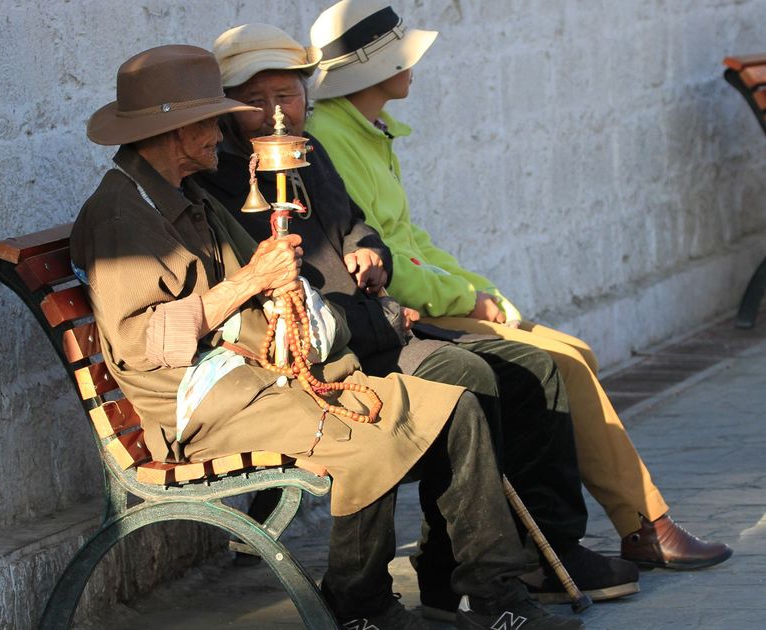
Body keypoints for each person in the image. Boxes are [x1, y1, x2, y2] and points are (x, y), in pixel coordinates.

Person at [71, 44, 583, 630]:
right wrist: (249, 282)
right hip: (200, 403)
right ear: (175, 129)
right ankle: (359, 605)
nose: (222, 130)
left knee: (456, 407)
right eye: (210, 120)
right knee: (369, 436)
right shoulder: (121, 214)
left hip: (253, 375)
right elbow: (142, 343)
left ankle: (493, 597)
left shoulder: (183, 194)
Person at [197, 23, 640, 619]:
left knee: (533, 369)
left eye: (288, 96)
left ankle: (544, 547)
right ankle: (469, 578)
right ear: (227, 108)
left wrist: (369, 250)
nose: (277, 115)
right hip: (333, 347)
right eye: (257, 100)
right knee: (463, 378)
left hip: (372, 323)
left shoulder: (311, 153)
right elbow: (276, 299)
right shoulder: (218, 177)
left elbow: (355, 223)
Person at [304, 0, 732, 573]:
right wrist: (466, 299)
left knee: (576, 352)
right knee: (562, 368)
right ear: (372, 70)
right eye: (403, 58)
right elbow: (383, 262)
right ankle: (639, 526)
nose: (414, 67)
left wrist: (485, 292)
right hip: (396, 314)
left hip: (429, 296)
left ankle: (628, 526)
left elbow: (413, 239)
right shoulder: (330, 137)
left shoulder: (368, 129)